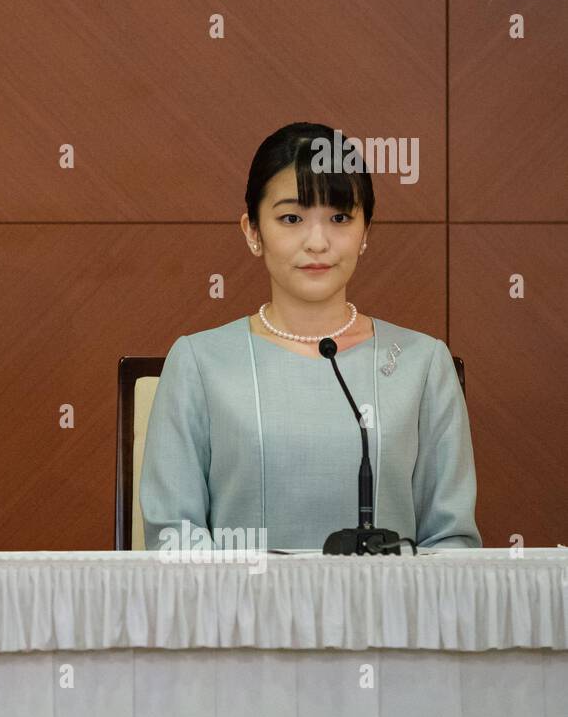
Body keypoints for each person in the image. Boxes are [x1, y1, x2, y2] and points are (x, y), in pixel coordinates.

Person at [140, 122, 480, 551]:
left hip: (387, 618)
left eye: (339, 217)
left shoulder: (423, 363)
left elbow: (451, 542)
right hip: (241, 617)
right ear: (252, 231)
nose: (317, 242)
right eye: (291, 218)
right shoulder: (198, 363)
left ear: (366, 233)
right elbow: (176, 540)